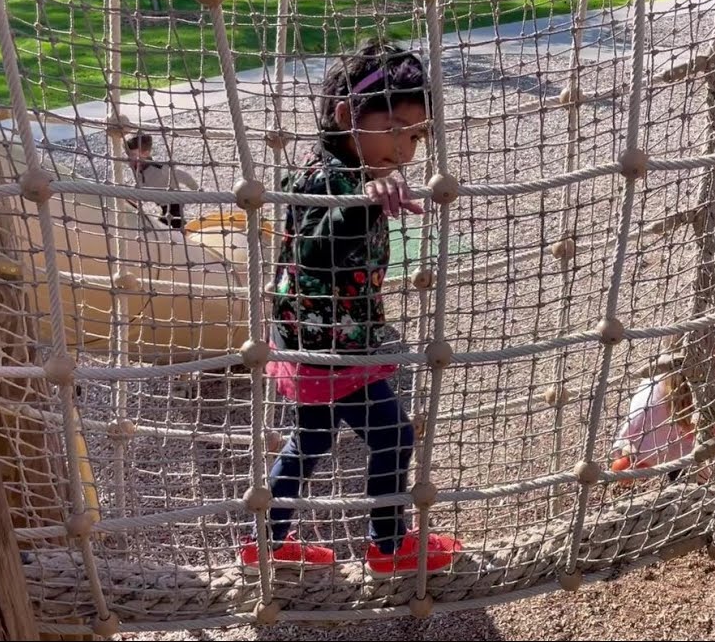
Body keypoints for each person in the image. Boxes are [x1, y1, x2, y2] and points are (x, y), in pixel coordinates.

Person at [239, 40, 463, 578]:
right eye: (395, 129)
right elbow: (318, 246)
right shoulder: (326, 179)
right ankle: (388, 547)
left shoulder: (341, 171)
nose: (407, 149)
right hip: (331, 349)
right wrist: (365, 201)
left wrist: (368, 192)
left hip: (321, 342)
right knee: (395, 436)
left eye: (417, 135)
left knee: (311, 439)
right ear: (345, 116)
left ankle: (263, 543)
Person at [125, 133, 196, 230]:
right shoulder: (138, 169)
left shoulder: (161, 169)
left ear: (145, 154)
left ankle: (186, 236)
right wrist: (132, 200)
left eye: (133, 155)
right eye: (128, 155)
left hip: (174, 203)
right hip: (163, 205)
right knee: (163, 224)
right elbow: (141, 185)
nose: (129, 158)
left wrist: (196, 190)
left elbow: (184, 176)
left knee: (174, 225)